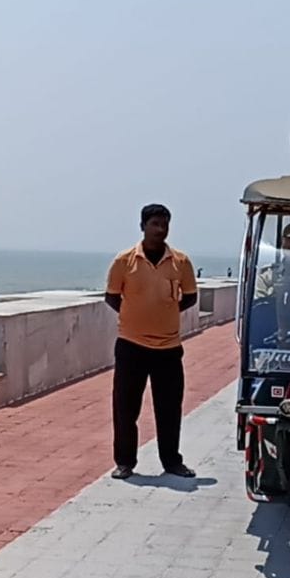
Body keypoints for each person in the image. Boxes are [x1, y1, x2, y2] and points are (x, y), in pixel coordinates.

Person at [104, 203, 199, 480]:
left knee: (169, 408)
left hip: (168, 348)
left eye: (165, 224)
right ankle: (124, 462)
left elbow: (190, 297)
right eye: (155, 223)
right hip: (131, 345)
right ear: (143, 226)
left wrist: (165, 313)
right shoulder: (124, 261)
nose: (161, 229)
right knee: (125, 408)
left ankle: (172, 461)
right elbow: (112, 297)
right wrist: (137, 315)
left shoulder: (181, 261)